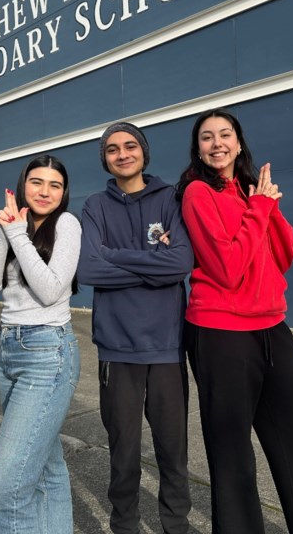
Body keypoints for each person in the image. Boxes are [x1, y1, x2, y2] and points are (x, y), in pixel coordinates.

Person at [174, 109, 293, 534]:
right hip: (220, 334)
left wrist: (265, 206)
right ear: (197, 148)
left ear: (238, 142)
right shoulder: (198, 193)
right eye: (207, 137)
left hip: (272, 327)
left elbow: (286, 254)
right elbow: (227, 267)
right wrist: (258, 210)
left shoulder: (249, 190)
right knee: (233, 456)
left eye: (225, 135)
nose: (217, 143)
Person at [77, 122, 194, 534]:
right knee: (122, 453)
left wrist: (115, 256)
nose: (122, 154)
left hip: (166, 346)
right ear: (105, 158)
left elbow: (180, 264)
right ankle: (124, 525)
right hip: (117, 349)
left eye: (130, 146)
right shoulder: (94, 206)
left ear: (144, 152)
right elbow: (89, 267)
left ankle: (175, 525)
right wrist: (150, 263)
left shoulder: (171, 199)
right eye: (112, 149)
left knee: (172, 452)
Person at [0, 154, 82, 534]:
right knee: (47, 468)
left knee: (4, 494)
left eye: (55, 185)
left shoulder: (67, 224)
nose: (45, 191)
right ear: (23, 185)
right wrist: (9, 233)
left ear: (64, 192)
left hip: (47, 355)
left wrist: (17, 235)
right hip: (10, 350)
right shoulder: (14, 228)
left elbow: (52, 291)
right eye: (37, 182)